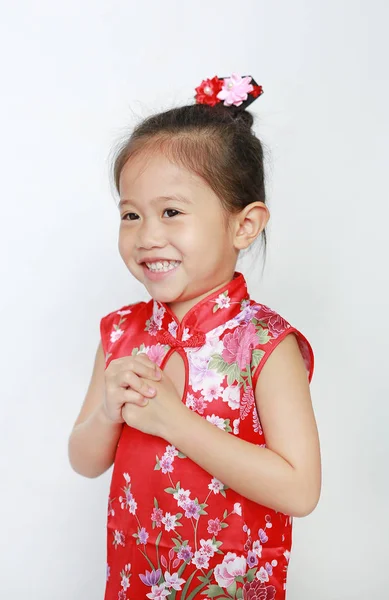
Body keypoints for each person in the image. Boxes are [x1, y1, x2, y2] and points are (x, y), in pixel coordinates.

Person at [68, 72, 321, 600]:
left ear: (244, 225)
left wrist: (174, 422)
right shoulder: (121, 332)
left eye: (171, 212)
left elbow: (299, 490)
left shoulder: (265, 344)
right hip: (136, 578)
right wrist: (107, 412)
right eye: (131, 215)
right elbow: (85, 459)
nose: (147, 235)